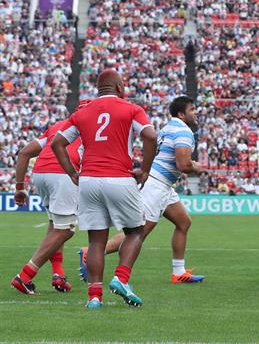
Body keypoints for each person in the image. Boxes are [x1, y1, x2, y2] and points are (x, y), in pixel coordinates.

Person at [49, 69, 158, 309]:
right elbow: (150, 135)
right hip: (120, 177)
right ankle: (121, 278)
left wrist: (71, 172)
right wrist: (146, 169)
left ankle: (94, 298)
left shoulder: (82, 112)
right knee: (135, 231)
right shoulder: (131, 109)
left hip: (88, 180)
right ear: (120, 87)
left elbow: (57, 143)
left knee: (96, 241)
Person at [102, 96, 205, 284]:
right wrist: (196, 167)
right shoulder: (183, 131)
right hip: (157, 185)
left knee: (183, 222)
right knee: (138, 233)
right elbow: (183, 165)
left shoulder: (167, 129)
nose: (196, 112)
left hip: (162, 184)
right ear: (181, 114)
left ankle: (178, 272)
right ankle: (93, 253)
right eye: (192, 109)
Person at [10, 101, 91, 295]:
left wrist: (20, 187)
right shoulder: (91, 126)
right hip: (63, 173)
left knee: (56, 226)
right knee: (67, 230)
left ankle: (58, 275)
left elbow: (24, 153)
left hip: (40, 173)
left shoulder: (57, 126)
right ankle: (25, 276)